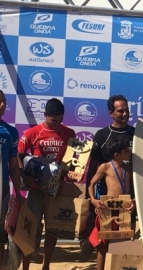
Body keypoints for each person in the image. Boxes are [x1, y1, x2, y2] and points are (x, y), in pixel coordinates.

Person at [80, 95, 143, 256]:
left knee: (124, 242)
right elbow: (92, 168)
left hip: (130, 200)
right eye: (120, 111)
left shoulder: (136, 134)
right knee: (103, 244)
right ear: (111, 113)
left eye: (127, 110)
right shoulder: (102, 135)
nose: (125, 113)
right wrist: (90, 199)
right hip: (105, 201)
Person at [17, 98, 76, 270]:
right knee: (30, 230)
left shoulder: (69, 133)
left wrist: (70, 172)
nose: (57, 123)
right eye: (53, 120)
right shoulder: (32, 132)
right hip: (36, 190)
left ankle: (46, 266)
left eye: (60, 120)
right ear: (45, 115)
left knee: (53, 229)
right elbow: (18, 155)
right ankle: (26, 267)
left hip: (57, 191)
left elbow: (71, 161)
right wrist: (24, 176)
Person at [88, 136, 135, 270]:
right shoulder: (105, 167)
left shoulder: (129, 168)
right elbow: (91, 184)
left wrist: (134, 202)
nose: (129, 152)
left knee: (121, 243)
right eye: (126, 150)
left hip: (125, 209)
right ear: (117, 154)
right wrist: (93, 200)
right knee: (103, 244)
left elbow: (137, 188)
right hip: (107, 208)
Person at [0, 90, 21, 268]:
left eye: (4, 101)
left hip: (2, 187)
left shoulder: (11, 132)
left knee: (0, 234)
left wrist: (18, 192)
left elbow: (14, 165)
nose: (2, 105)